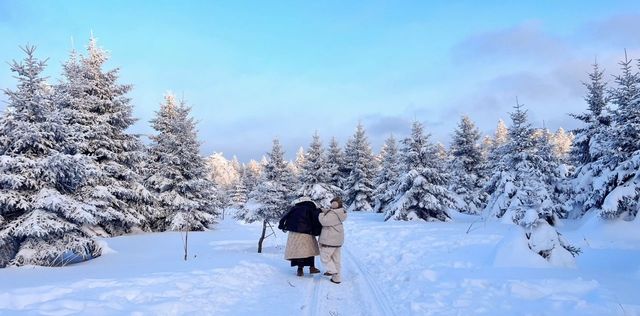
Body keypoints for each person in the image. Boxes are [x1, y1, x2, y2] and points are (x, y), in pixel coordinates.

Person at [278, 196, 322, 276]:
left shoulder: (294, 208)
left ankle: (300, 269)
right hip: (307, 232)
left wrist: (281, 226)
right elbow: (315, 220)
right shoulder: (311, 208)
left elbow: (284, 217)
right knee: (310, 250)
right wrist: (317, 231)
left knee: (299, 251)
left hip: (294, 233)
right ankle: (312, 268)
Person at [318, 197, 347, 284]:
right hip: (337, 240)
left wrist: (320, 214)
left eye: (332, 203)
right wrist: (324, 210)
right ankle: (336, 278)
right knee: (336, 260)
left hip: (330, 239)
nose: (331, 205)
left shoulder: (333, 214)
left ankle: (332, 271)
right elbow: (330, 212)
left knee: (324, 257)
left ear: (335, 204)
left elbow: (324, 221)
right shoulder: (340, 212)